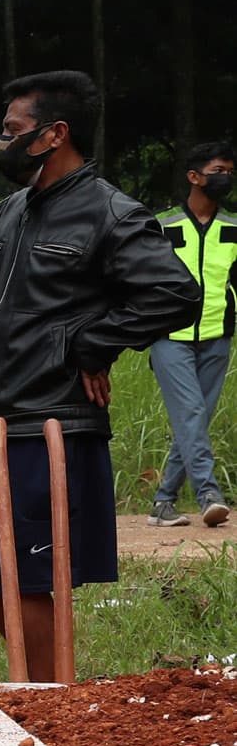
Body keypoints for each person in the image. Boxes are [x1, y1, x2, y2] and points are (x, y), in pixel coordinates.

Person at [0, 71, 200, 682]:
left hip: (53, 421)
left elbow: (175, 294)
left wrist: (90, 345)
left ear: (55, 134)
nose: (2, 141)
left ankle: (53, 703)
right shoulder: (8, 214)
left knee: (23, 567)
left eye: (13, 131)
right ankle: (43, 690)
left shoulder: (111, 212)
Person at [147, 140, 237, 528]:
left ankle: (163, 502)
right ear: (194, 177)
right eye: (218, 171)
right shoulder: (162, 226)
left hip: (218, 336)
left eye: (230, 173)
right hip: (170, 336)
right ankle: (208, 494)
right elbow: (139, 278)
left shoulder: (234, 228)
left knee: (194, 422)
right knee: (192, 414)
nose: (226, 178)